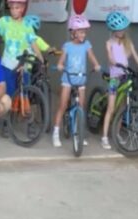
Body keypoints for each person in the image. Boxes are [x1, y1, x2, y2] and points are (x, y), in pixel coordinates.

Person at [0, 0, 44, 136]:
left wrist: (41, 60)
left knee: (25, 94)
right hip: (7, 65)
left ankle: (29, 123)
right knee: (8, 95)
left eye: (17, 8)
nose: (14, 10)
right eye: (12, 8)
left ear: (22, 9)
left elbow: (33, 43)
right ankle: (8, 122)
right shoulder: (5, 21)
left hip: (23, 65)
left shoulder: (27, 25)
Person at [101, 11, 138, 149]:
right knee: (111, 108)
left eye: (122, 28)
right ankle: (104, 137)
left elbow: (136, 57)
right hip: (114, 79)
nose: (121, 31)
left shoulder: (128, 43)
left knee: (123, 108)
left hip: (125, 77)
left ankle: (116, 134)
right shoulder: (109, 43)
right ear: (113, 30)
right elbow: (110, 57)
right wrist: (115, 63)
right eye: (118, 29)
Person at [52, 14, 101, 147]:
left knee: (81, 107)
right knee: (62, 105)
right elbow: (61, 61)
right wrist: (60, 65)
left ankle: (79, 134)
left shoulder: (86, 45)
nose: (83, 34)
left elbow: (91, 56)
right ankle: (56, 133)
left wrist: (96, 64)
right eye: (80, 31)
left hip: (81, 78)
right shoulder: (67, 46)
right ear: (73, 32)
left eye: (84, 32)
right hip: (68, 78)